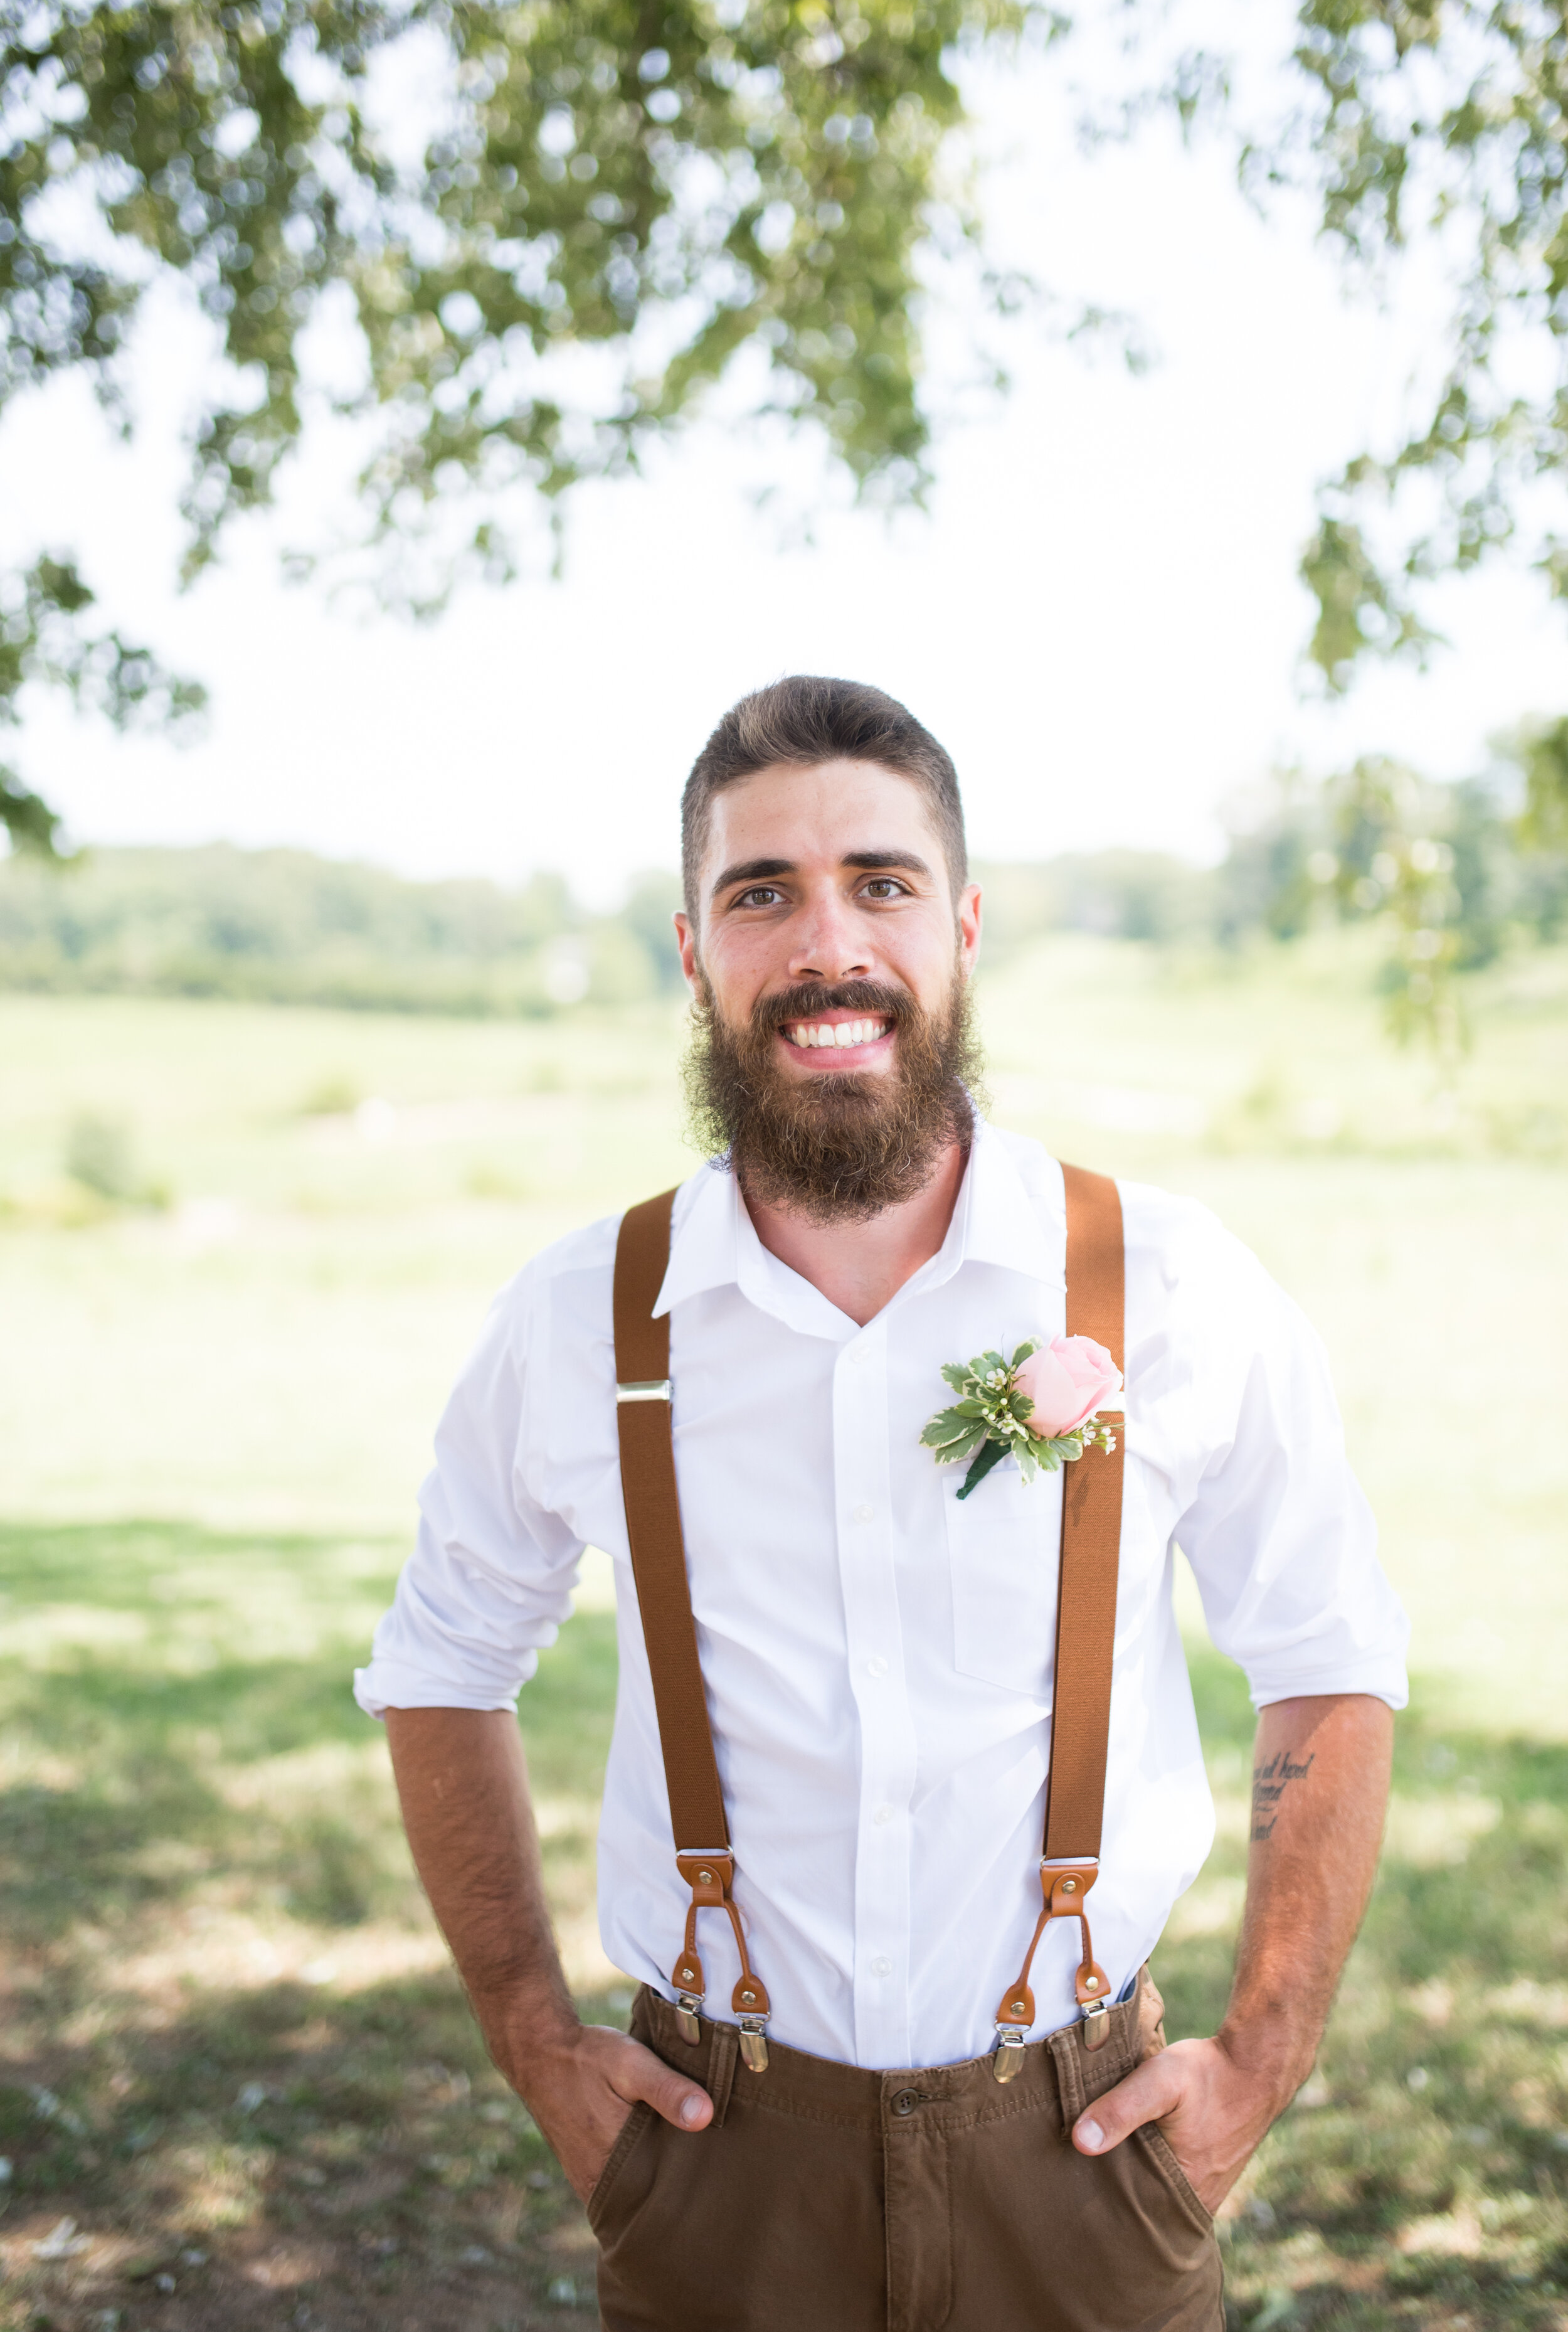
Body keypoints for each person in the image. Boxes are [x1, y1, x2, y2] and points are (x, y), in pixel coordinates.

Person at [354, 676, 1408, 2332]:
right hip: (717, 2166)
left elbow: (1330, 1652)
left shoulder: (1171, 1281)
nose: (824, 943)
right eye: (758, 890)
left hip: (1085, 2159)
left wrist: (1261, 2055)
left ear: (963, 926)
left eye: (880, 881)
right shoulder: (577, 1318)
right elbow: (439, 1661)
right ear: (691, 949)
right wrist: (533, 2036)